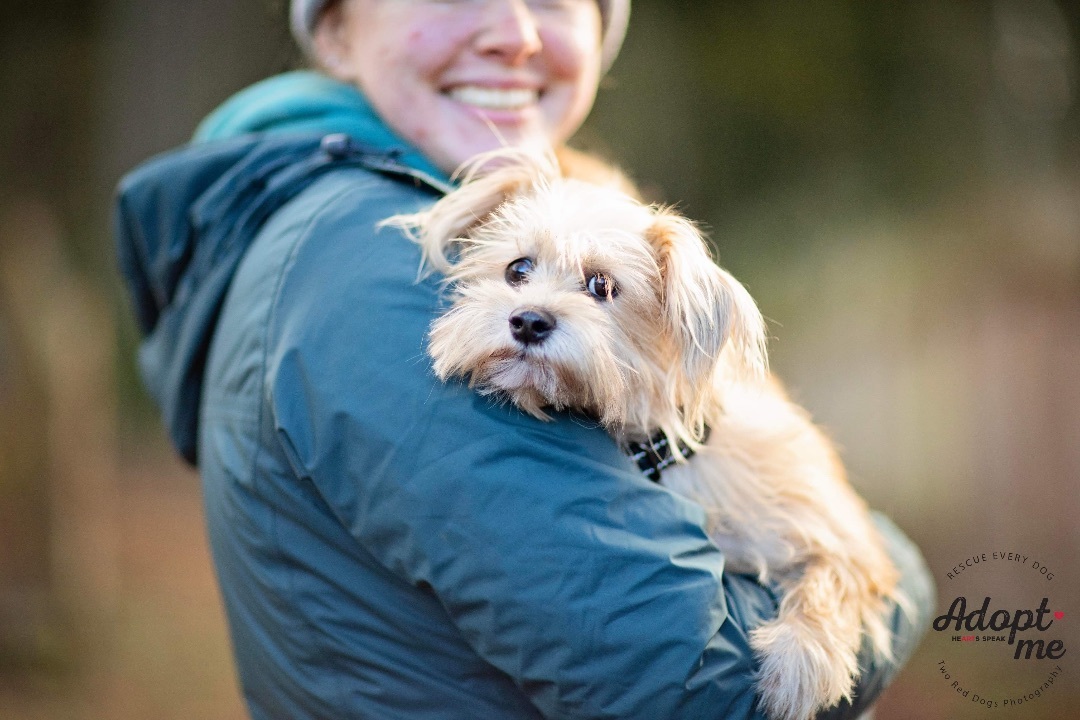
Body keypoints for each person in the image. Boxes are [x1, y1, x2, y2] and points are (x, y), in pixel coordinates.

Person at [115, 1, 935, 718]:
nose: (511, 32)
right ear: (333, 29)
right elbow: (701, 691)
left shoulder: (309, 207)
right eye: (515, 272)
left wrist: (856, 574)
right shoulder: (366, 259)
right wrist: (901, 571)